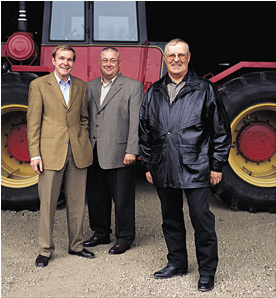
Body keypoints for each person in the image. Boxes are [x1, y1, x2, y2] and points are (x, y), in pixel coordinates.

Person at [139, 38, 231, 291]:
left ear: (189, 57)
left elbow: (220, 132)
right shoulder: (154, 91)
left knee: (201, 220)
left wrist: (216, 166)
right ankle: (177, 263)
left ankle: (207, 272)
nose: (176, 60)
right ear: (165, 59)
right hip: (163, 165)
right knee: (170, 218)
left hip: (196, 166)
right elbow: (144, 131)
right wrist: (148, 165)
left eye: (181, 55)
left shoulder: (205, 89)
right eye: (171, 56)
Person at [27, 45, 94, 267]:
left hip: (77, 152)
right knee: (48, 203)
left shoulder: (81, 86)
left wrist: (82, 139)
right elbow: (33, 123)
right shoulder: (38, 85)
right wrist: (35, 154)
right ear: (53, 60)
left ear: (73, 63)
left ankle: (76, 245)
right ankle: (45, 250)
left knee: (76, 203)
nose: (66, 62)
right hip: (49, 154)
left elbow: (84, 118)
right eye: (62, 58)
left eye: (70, 59)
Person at [84, 47, 144, 254]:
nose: (108, 64)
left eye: (112, 60)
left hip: (121, 153)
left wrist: (132, 150)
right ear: (99, 63)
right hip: (93, 151)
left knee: (123, 199)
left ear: (119, 63)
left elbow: (136, 121)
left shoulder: (133, 87)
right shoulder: (89, 87)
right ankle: (100, 232)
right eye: (105, 60)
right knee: (96, 196)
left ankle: (125, 237)